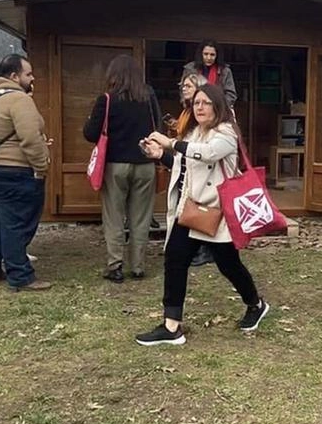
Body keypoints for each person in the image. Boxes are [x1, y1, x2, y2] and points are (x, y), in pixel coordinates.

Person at [135, 83, 269, 346]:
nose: (200, 107)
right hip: (192, 210)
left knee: (229, 265)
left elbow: (208, 155)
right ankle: (171, 325)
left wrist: (171, 142)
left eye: (206, 102)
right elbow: (185, 166)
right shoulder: (195, 133)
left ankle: (255, 304)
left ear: (217, 105)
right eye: (196, 103)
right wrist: (161, 154)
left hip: (217, 215)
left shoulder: (226, 133)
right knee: (174, 260)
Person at [0, 54, 52, 291]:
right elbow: (29, 137)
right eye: (28, 74)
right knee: (15, 223)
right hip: (14, 171)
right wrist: (42, 166)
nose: (32, 78)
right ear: (14, 76)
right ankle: (20, 276)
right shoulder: (19, 99)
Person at [83, 54, 163, 282]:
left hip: (115, 165)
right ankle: (138, 266)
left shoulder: (107, 99)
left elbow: (90, 134)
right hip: (145, 164)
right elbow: (158, 127)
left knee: (114, 216)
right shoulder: (148, 97)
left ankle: (115, 265)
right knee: (141, 218)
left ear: (113, 75)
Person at [171, 70, 216, 268]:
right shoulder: (186, 111)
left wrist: (171, 143)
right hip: (186, 165)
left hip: (203, 171)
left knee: (203, 208)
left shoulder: (218, 124)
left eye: (189, 85)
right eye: (183, 86)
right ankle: (194, 249)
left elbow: (205, 149)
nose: (184, 89)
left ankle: (205, 249)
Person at [182, 40, 238, 108]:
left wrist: (219, 107)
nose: (209, 58)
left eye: (212, 55)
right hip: (194, 107)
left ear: (217, 55)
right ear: (200, 54)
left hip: (218, 110)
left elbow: (231, 94)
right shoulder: (190, 69)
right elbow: (183, 90)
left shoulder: (225, 71)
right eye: (206, 54)